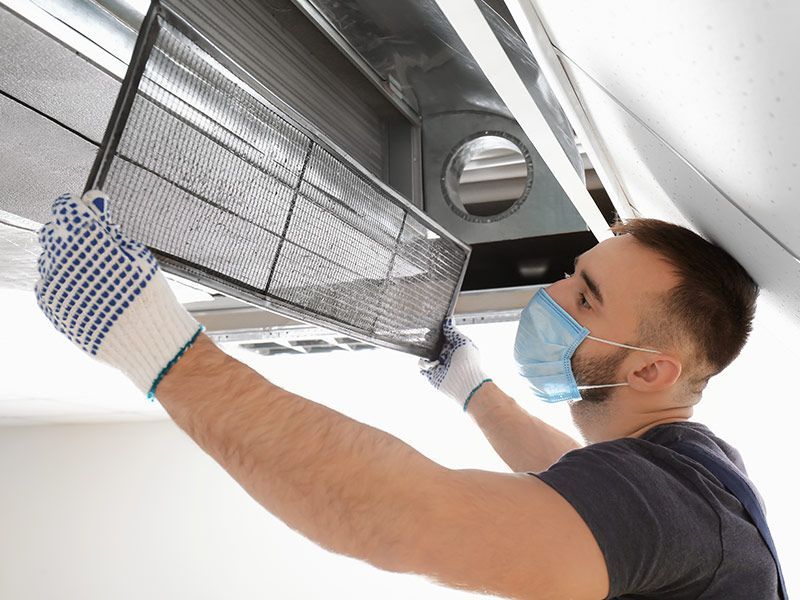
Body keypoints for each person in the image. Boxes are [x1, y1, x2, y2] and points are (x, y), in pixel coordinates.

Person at [34, 190, 782, 599]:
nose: (551, 294)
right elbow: (572, 488)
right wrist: (471, 388)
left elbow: (403, 516)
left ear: (650, 371)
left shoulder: (683, 506)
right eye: (572, 272)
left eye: (584, 298)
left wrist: (163, 351)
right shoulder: (692, 476)